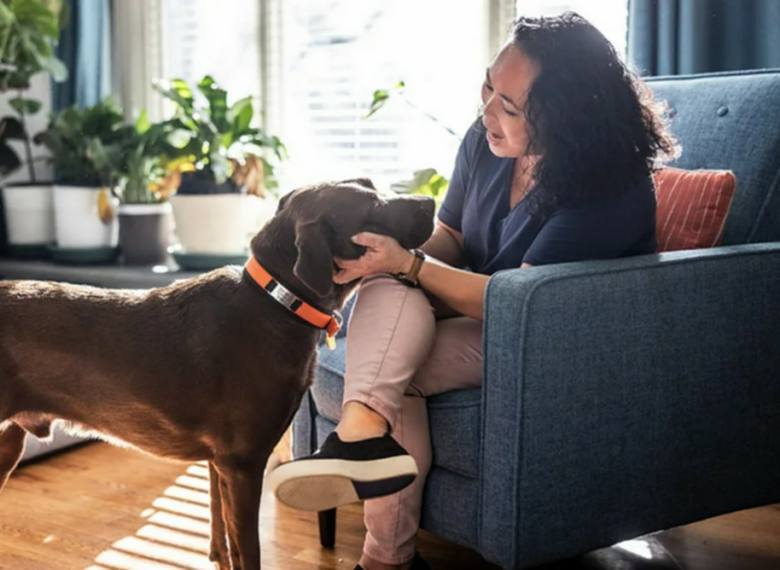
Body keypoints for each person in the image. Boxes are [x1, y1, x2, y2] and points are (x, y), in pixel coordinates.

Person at [269, 12, 678, 570]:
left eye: (509, 106)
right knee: (390, 296)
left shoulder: (609, 186)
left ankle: (383, 544)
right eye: (489, 86)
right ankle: (364, 436)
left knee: (396, 355)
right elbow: (454, 238)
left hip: (556, 337)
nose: (487, 110)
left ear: (566, 119)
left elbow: (520, 303)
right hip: (484, 314)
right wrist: (385, 259)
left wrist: (409, 266)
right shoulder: (485, 141)